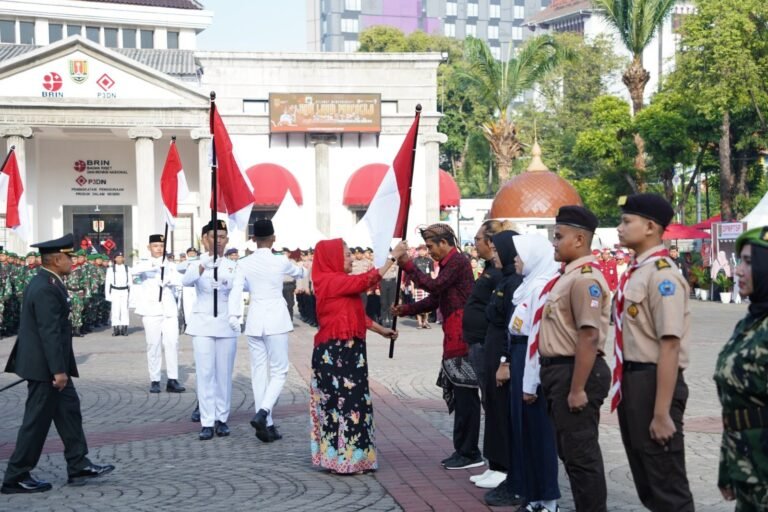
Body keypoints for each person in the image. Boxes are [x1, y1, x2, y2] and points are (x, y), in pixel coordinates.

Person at [1, 234, 114, 494]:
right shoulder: (45, 287)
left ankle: (78, 464)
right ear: (56, 259)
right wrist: (58, 371)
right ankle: (15, 476)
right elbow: (49, 332)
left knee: (69, 413)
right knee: (36, 422)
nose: (72, 261)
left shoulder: (49, 281)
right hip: (46, 369)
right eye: (69, 257)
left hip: (52, 366)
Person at [615, 194, 694, 511]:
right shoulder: (638, 270)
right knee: (647, 479)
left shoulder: (663, 275)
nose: (620, 228)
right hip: (633, 381)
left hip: (655, 382)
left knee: (666, 482)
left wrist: (662, 413)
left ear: (650, 227)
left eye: (626, 221)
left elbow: (670, 344)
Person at [537, 206, 611, 512]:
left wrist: (578, 388)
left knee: (582, 456)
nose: (554, 243)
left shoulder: (584, 279)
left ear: (580, 239)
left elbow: (589, 336)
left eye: (559, 236)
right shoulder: (567, 277)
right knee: (570, 452)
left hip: (576, 371)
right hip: (560, 371)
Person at [310, 238, 404, 474]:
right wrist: (392, 258)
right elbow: (366, 281)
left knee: (355, 403)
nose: (351, 258)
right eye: (347, 254)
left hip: (349, 351)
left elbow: (354, 315)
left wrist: (382, 330)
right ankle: (344, 460)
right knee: (342, 405)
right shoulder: (329, 280)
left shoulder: (339, 284)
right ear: (332, 258)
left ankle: (353, 458)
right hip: (334, 353)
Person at [392, 223, 479, 470]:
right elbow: (436, 298)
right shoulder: (450, 263)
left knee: (466, 397)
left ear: (444, 242)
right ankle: (463, 449)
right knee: (462, 397)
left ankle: (469, 451)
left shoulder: (458, 261)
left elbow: (435, 286)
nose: (430, 252)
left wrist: (408, 264)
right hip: (453, 334)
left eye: (431, 246)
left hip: (462, 336)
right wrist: (407, 309)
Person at [486, 234, 561, 510]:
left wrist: (530, 382)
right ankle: (532, 495)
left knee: (539, 433)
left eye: (520, 255)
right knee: (523, 432)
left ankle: (548, 498)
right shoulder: (528, 285)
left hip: (530, 360)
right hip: (518, 355)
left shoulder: (541, 287)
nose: (515, 260)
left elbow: (535, 339)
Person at [228, 219, 306, 443]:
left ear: (253, 240)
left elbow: (236, 289)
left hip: (254, 320)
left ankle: (267, 425)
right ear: (273, 238)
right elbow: (299, 272)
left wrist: (234, 316)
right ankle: (263, 413)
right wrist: (304, 268)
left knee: (259, 372)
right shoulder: (280, 261)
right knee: (280, 370)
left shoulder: (244, 263)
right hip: (275, 321)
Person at [714, 226, 768, 510]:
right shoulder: (750, 322)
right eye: (740, 261)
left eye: (749, 262)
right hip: (748, 467)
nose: (738, 271)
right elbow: (737, 408)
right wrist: (728, 465)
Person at [184, 220, 240, 441]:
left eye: (223, 237)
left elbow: (240, 287)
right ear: (204, 239)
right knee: (205, 373)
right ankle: (207, 421)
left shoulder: (233, 265)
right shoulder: (197, 262)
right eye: (213, 236)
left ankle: (222, 418)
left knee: (224, 374)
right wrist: (203, 265)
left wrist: (227, 284)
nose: (218, 241)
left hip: (225, 324)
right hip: (203, 325)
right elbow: (187, 281)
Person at [475, 229, 521, 491]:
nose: (494, 254)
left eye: (497, 249)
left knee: (501, 408)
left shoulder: (514, 281)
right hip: (491, 348)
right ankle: (494, 463)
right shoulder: (503, 279)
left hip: (501, 350)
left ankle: (503, 465)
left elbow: (508, 324)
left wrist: (504, 360)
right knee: (492, 405)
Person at [132, 234, 185, 394]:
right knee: (153, 345)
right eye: (155, 246)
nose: (158, 249)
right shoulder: (143, 264)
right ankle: (155, 379)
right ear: (149, 248)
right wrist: (155, 267)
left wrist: (168, 278)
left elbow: (180, 280)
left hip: (168, 310)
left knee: (172, 344)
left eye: (161, 246)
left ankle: (172, 379)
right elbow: (134, 274)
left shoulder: (171, 265)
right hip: (151, 310)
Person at [104, 252, 131, 336]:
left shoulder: (128, 268)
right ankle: (116, 328)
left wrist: (131, 296)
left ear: (123, 259)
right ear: (115, 259)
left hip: (124, 291)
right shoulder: (110, 269)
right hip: (115, 291)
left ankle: (124, 328)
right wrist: (107, 295)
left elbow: (130, 283)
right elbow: (107, 283)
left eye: (121, 257)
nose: (119, 259)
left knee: (124, 310)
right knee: (115, 310)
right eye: (118, 257)